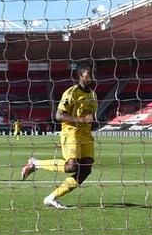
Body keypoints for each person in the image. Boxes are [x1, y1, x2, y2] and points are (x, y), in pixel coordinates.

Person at [20, 64, 98, 209]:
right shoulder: (71, 93)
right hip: (71, 131)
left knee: (86, 169)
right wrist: (80, 120)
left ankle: (51, 197)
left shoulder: (93, 95)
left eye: (93, 73)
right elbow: (58, 115)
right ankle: (35, 163)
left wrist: (90, 121)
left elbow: (90, 117)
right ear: (81, 76)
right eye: (89, 74)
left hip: (86, 135)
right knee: (71, 166)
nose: (92, 76)